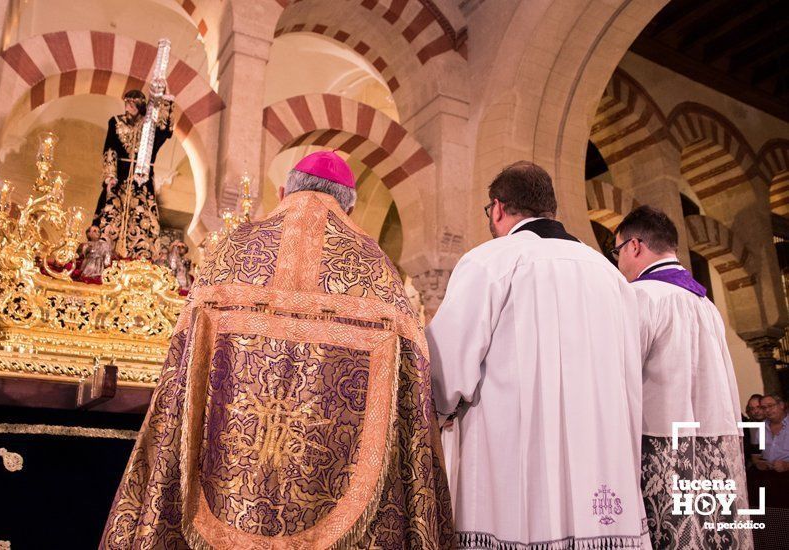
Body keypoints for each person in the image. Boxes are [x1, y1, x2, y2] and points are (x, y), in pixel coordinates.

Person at [101, 150, 453, 548]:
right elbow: (411, 387)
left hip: (225, 476)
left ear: (285, 190)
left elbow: (181, 368)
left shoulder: (232, 254)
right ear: (350, 205)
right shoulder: (376, 270)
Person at [427, 161, 649, 549]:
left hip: (513, 462)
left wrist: (439, 412)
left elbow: (446, 367)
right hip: (602, 453)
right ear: (552, 210)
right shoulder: (610, 274)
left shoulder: (490, 261)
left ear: (497, 208)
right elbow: (631, 373)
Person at [613, 205, 751, 549]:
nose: (618, 263)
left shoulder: (641, 296)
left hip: (661, 454)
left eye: (617, 252)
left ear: (634, 246)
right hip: (716, 448)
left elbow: (619, 378)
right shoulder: (706, 304)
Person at [92, 89, 174, 261]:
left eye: (132, 103)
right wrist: (110, 175)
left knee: (142, 217)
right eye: (126, 102)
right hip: (119, 177)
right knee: (111, 213)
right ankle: (105, 255)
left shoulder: (149, 127)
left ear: (140, 105)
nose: (128, 107)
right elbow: (110, 149)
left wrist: (165, 99)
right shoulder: (115, 122)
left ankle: (141, 257)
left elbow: (166, 129)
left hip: (142, 181)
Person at [755, 394, 789, 471]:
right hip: (767, 474)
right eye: (764, 408)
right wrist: (759, 463)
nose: (767, 410)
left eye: (770, 406)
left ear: (781, 405)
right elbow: (757, 455)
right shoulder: (762, 428)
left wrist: (787, 465)